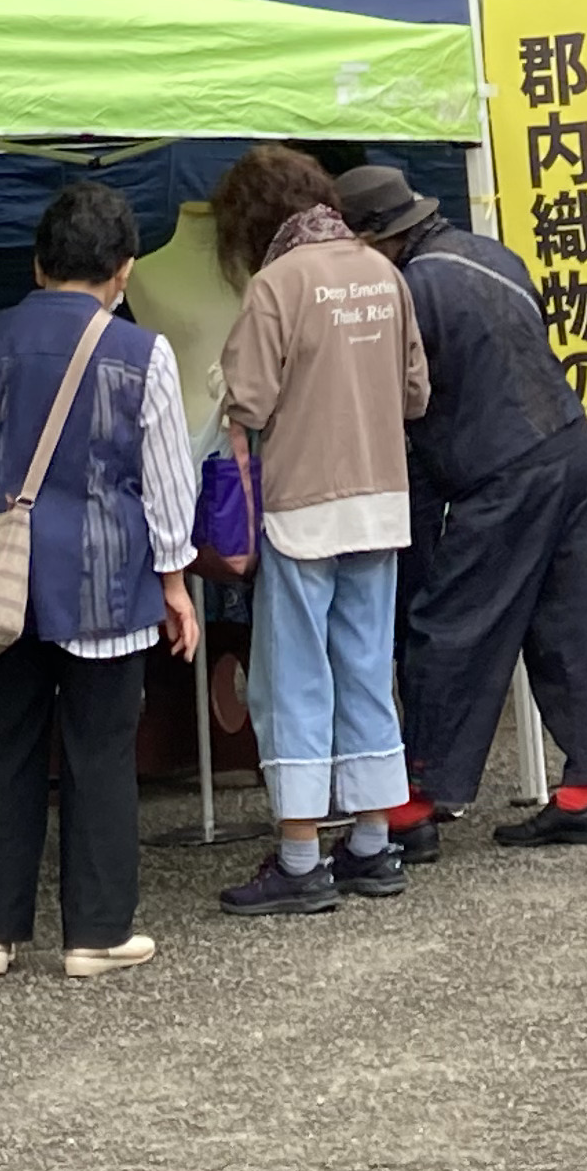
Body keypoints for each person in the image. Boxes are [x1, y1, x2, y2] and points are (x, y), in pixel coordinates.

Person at [0, 180, 198, 981]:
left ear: (38, 265)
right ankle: (95, 936)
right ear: (123, 269)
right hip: (106, 584)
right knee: (99, 753)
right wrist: (175, 584)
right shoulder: (143, 354)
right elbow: (167, 482)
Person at [333, 163, 587, 856]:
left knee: (451, 625)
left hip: (502, 470)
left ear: (374, 238)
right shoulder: (488, 253)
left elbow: (402, 405)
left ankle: (415, 802)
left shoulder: (408, 290)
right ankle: (583, 794)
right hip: (566, 443)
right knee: (572, 618)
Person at [210, 145, 431, 917]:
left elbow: (247, 401)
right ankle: (371, 842)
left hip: (302, 506)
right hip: (381, 499)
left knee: (294, 677)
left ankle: (301, 858)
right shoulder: (383, 273)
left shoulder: (277, 284)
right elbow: (416, 393)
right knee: (366, 669)